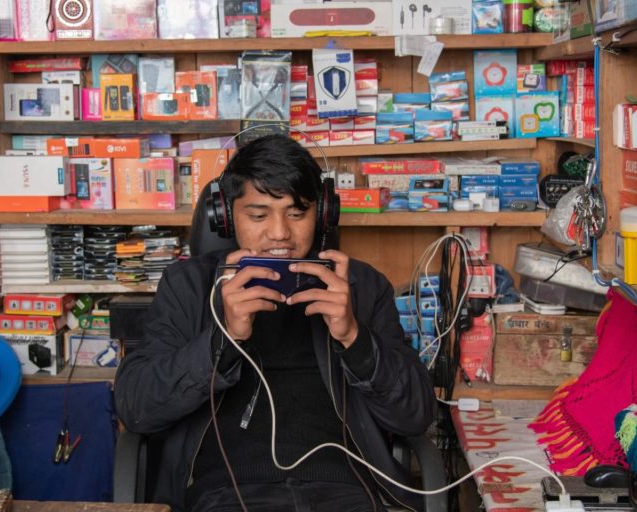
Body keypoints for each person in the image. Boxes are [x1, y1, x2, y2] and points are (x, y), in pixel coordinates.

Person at [115, 134, 435, 511]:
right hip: (225, 494)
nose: (280, 232)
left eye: (297, 213)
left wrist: (354, 337)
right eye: (258, 215)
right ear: (225, 216)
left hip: (346, 492)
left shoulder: (360, 286)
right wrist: (222, 340)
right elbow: (136, 406)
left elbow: (416, 415)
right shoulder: (188, 287)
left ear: (323, 214)